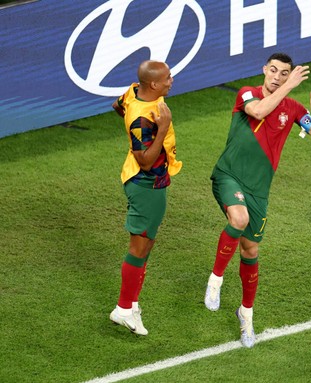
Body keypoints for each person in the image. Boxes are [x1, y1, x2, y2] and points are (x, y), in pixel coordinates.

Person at [204, 53, 311, 348]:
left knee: (250, 251)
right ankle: (215, 280)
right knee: (239, 218)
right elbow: (259, 112)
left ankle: (245, 314)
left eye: (284, 73)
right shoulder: (247, 93)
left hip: (259, 190)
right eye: (273, 70)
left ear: (289, 76)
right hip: (229, 176)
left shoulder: (294, 109)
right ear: (264, 69)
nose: (276, 77)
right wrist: (290, 86)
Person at [109, 60, 182, 335]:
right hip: (146, 184)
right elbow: (147, 162)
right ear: (153, 84)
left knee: (146, 244)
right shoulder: (144, 118)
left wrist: (133, 134)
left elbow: (118, 106)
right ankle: (124, 309)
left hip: (152, 183)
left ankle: (131, 304)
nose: (171, 81)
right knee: (139, 247)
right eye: (167, 78)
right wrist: (162, 127)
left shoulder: (134, 92)